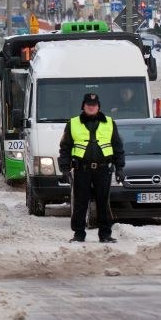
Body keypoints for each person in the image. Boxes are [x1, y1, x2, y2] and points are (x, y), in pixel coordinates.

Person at [58, 93, 125, 244]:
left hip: (103, 169)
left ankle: (105, 234)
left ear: (98, 107)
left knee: (103, 202)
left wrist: (120, 168)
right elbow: (65, 148)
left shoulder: (109, 122)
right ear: (83, 106)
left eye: (94, 105)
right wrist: (65, 169)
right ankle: (79, 234)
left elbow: (118, 147)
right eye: (88, 104)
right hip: (82, 169)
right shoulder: (73, 123)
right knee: (80, 203)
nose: (91, 107)